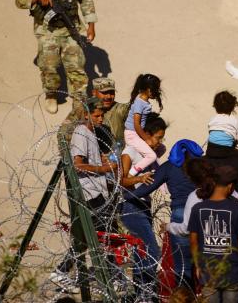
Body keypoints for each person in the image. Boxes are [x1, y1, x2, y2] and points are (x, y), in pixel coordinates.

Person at [15, 0, 97, 114]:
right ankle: (51, 94)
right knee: (49, 65)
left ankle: (79, 99)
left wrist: (91, 26)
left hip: (70, 29)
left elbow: (87, 1)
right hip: (47, 31)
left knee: (76, 65)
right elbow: (19, 0)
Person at [48, 102, 117, 292]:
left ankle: (68, 271)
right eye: (97, 116)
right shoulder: (80, 133)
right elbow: (77, 165)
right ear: (86, 115)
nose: (100, 119)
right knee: (100, 235)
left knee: (93, 236)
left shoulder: (90, 133)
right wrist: (100, 168)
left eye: (102, 116)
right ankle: (65, 271)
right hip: (90, 193)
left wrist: (100, 161)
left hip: (96, 190)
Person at [125, 139, 204, 286]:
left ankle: (185, 298)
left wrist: (125, 195)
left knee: (182, 268)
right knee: (205, 264)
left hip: (180, 215)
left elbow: (147, 188)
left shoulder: (169, 166)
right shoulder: (202, 167)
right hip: (202, 214)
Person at [119, 113, 167, 298]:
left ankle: (140, 293)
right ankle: (146, 290)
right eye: (157, 137)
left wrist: (152, 143)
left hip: (143, 206)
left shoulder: (150, 154)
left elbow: (160, 149)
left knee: (140, 252)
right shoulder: (130, 152)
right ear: (145, 133)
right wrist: (139, 178)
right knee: (152, 250)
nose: (159, 142)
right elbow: (121, 180)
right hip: (130, 205)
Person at [188, 165, 238, 303]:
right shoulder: (237, 209)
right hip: (232, 273)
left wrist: (198, 265)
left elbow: (193, 241)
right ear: (230, 186)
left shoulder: (198, 208)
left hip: (208, 273)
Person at [58, 77, 129, 146]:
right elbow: (63, 132)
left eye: (112, 93)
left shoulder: (120, 109)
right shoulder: (84, 108)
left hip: (114, 154)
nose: (109, 96)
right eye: (104, 93)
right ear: (94, 93)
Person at [124, 73, 164, 176]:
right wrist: (146, 139)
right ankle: (131, 173)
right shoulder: (139, 102)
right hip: (132, 135)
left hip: (136, 134)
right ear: (148, 88)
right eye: (155, 89)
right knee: (152, 156)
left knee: (161, 148)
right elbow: (136, 124)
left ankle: (146, 165)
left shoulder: (144, 102)